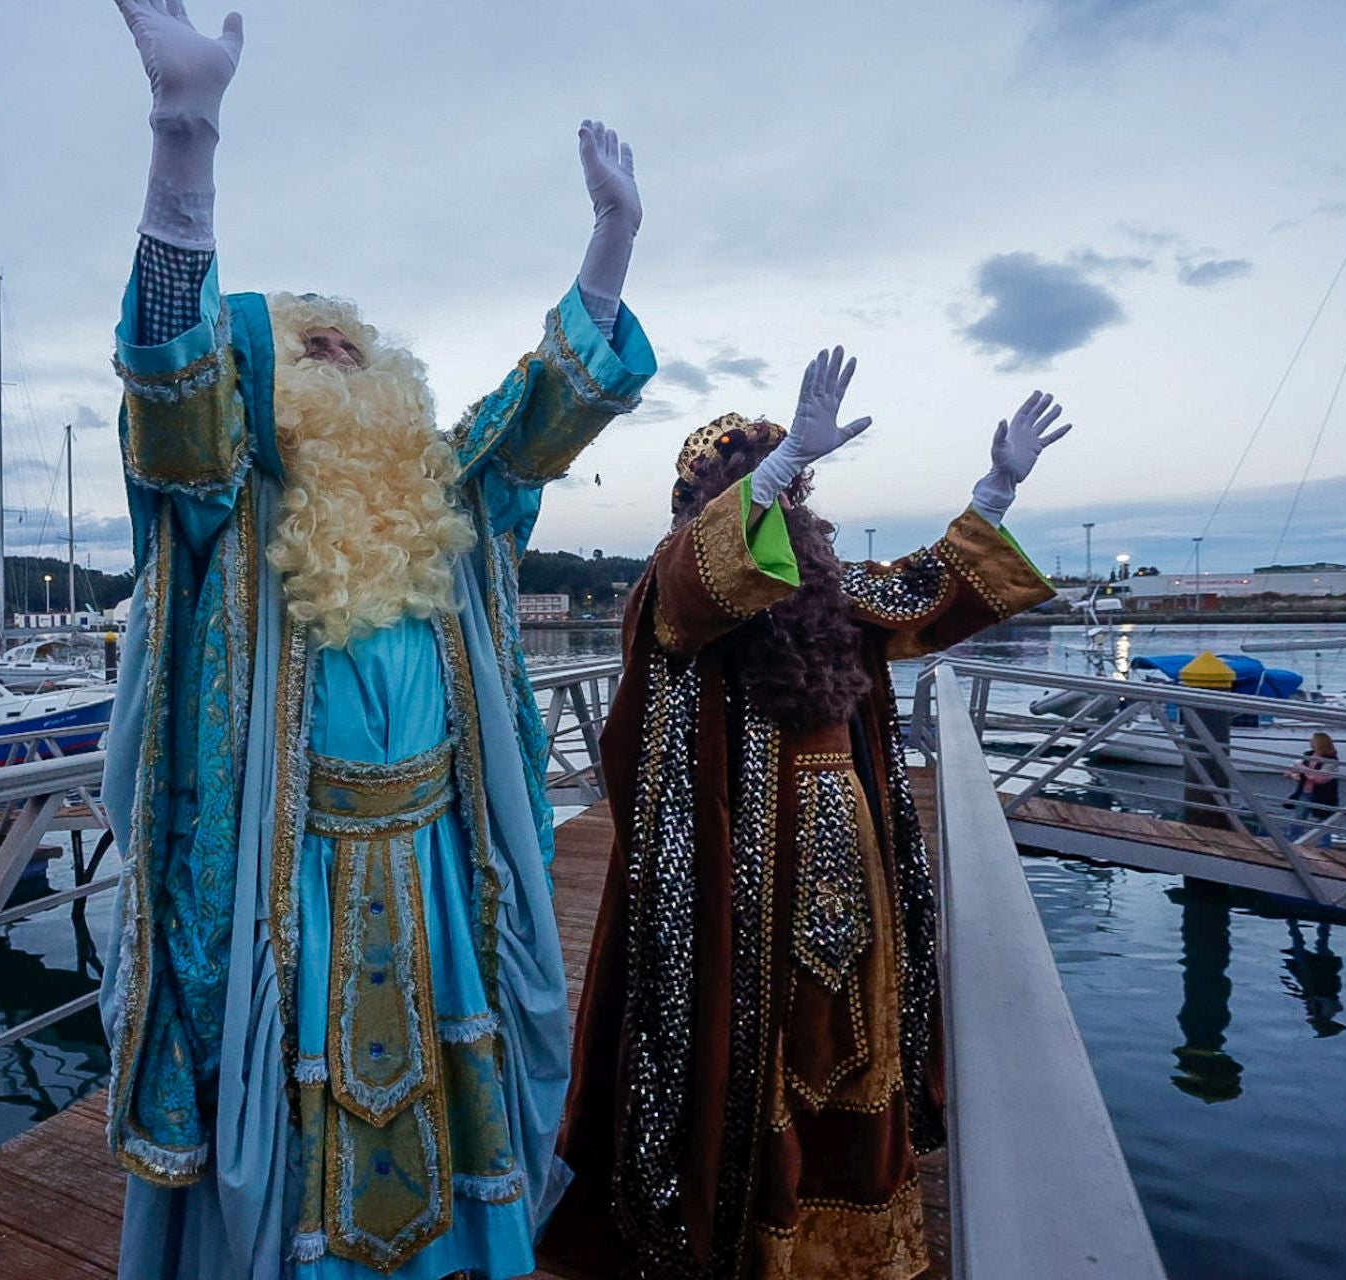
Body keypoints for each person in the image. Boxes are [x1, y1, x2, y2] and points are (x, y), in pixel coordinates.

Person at [98, 4, 656, 1278]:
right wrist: (186, 140)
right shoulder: (229, 512)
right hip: (285, 877)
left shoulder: (440, 500)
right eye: (313, 347)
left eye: (357, 348)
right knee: (299, 1125)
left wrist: (609, 252)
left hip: (436, 862)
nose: (344, 361)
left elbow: (532, 425)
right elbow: (169, 386)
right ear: (270, 383)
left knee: (459, 1101)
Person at [539, 349, 1069, 1280]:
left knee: (854, 1021)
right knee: (760, 1032)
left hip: (852, 846)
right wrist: (772, 474)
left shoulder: (831, 582)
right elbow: (695, 592)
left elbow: (919, 593)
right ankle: (756, 1228)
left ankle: (857, 1224)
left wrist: (994, 492)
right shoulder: (677, 579)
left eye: (788, 478)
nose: (776, 497)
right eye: (747, 481)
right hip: (739, 860)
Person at [1284, 731, 1341, 848]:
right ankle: (1293, 843)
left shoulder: (1331, 760)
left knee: (1322, 821)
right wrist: (1291, 774)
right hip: (1305, 792)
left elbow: (1319, 779)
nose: (1309, 742)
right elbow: (1296, 772)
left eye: (1312, 740)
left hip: (1323, 795)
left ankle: (1324, 848)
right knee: (1297, 819)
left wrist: (1301, 767)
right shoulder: (1308, 755)